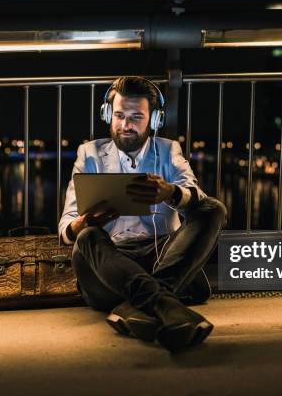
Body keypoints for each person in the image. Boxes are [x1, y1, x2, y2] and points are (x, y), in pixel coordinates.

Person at [58, 76, 227, 352]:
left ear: (154, 120)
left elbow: (198, 197)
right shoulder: (89, 154)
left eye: (137, 117)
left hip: (160, 258)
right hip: (109, 269)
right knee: (87, 237)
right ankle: (167, 304)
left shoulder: (168, 150)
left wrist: (171, 193)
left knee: (214, 209)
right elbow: (65, 228)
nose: (126, 125)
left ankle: (136, 307)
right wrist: (84, 222)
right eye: (120, 115)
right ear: (107, 114)